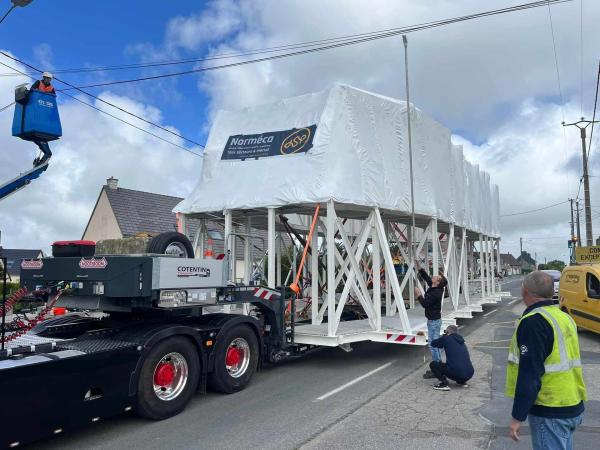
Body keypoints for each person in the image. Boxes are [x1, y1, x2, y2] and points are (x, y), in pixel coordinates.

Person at [506, 271, 587, 449]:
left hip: (550, 409)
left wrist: (517, 416)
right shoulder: (564, 317)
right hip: (571, 403)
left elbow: (530, 373)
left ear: (525, 291)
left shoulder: (534, 322)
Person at [414, 261, 447, 378]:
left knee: (433, 345)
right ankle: (439, 366)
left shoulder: (436, 293)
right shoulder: (435, 287)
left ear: (437, 282)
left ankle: (437, 369)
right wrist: (419, 268)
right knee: (435, 344)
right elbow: (427, 278)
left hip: (433, 322)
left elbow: (425, 304)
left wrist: (418, 295)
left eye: (436, 277)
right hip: (433, 321)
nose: (434, 276)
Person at [429, 324, 474, 391]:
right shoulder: (461, 341)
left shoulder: (446, 338)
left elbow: (433, 343)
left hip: (456, 372)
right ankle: (462, 382)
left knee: (433, 364)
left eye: (446, 332)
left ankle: (444, 383)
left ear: (448, 332)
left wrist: (442, 337)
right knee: (458, 363)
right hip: (469, 373)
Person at [30, 72, 55, 165]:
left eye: (50, 79)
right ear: (44, 78)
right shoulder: (38, 83)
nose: (48, 80)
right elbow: (32, 90)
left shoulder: (51, 88)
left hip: (45, 109)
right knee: (39, 133)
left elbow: (53, 98)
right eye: (47, 78)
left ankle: (40, 158)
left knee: (42, 133)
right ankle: (38, 158)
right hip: (37, 107)